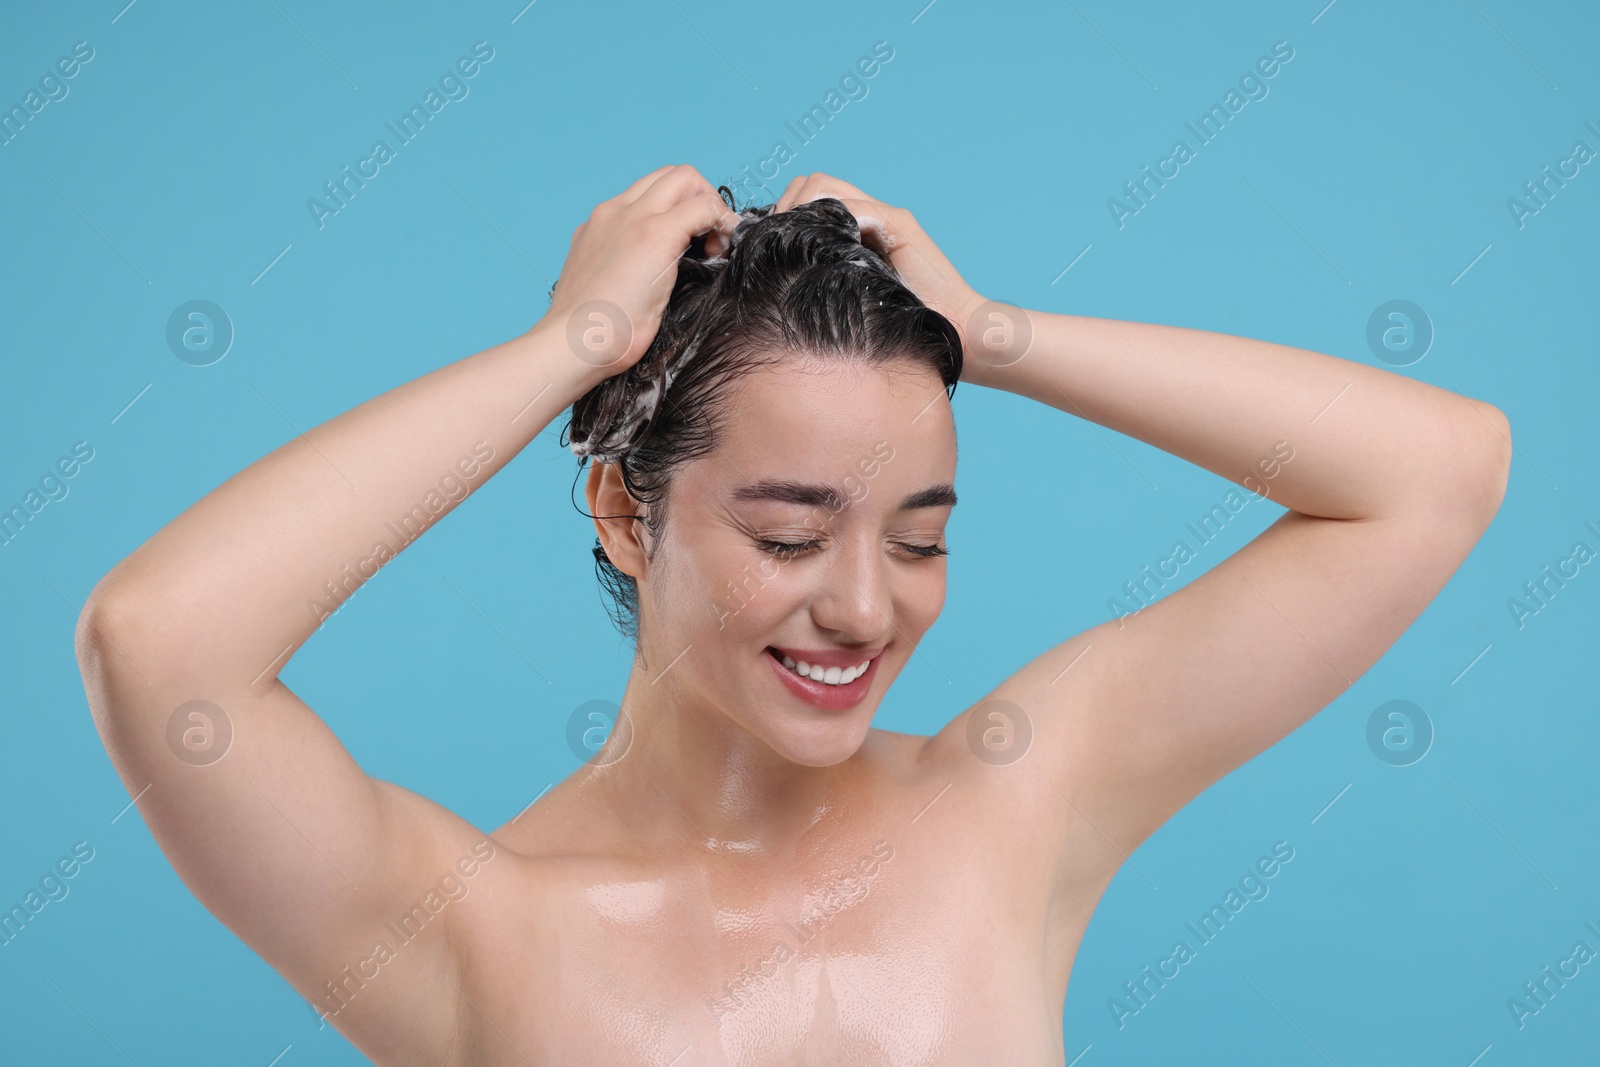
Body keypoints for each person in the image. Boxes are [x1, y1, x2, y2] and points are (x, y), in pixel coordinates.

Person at [75, 164, 1511, 1065]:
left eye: (922, 539)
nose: (864, 608)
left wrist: (997, 336)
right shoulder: (475, 931)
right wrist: (568, 353)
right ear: (630, 515)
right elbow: (158, 645)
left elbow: (1435, 474)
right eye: (789, 533)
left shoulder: (1018, 802)